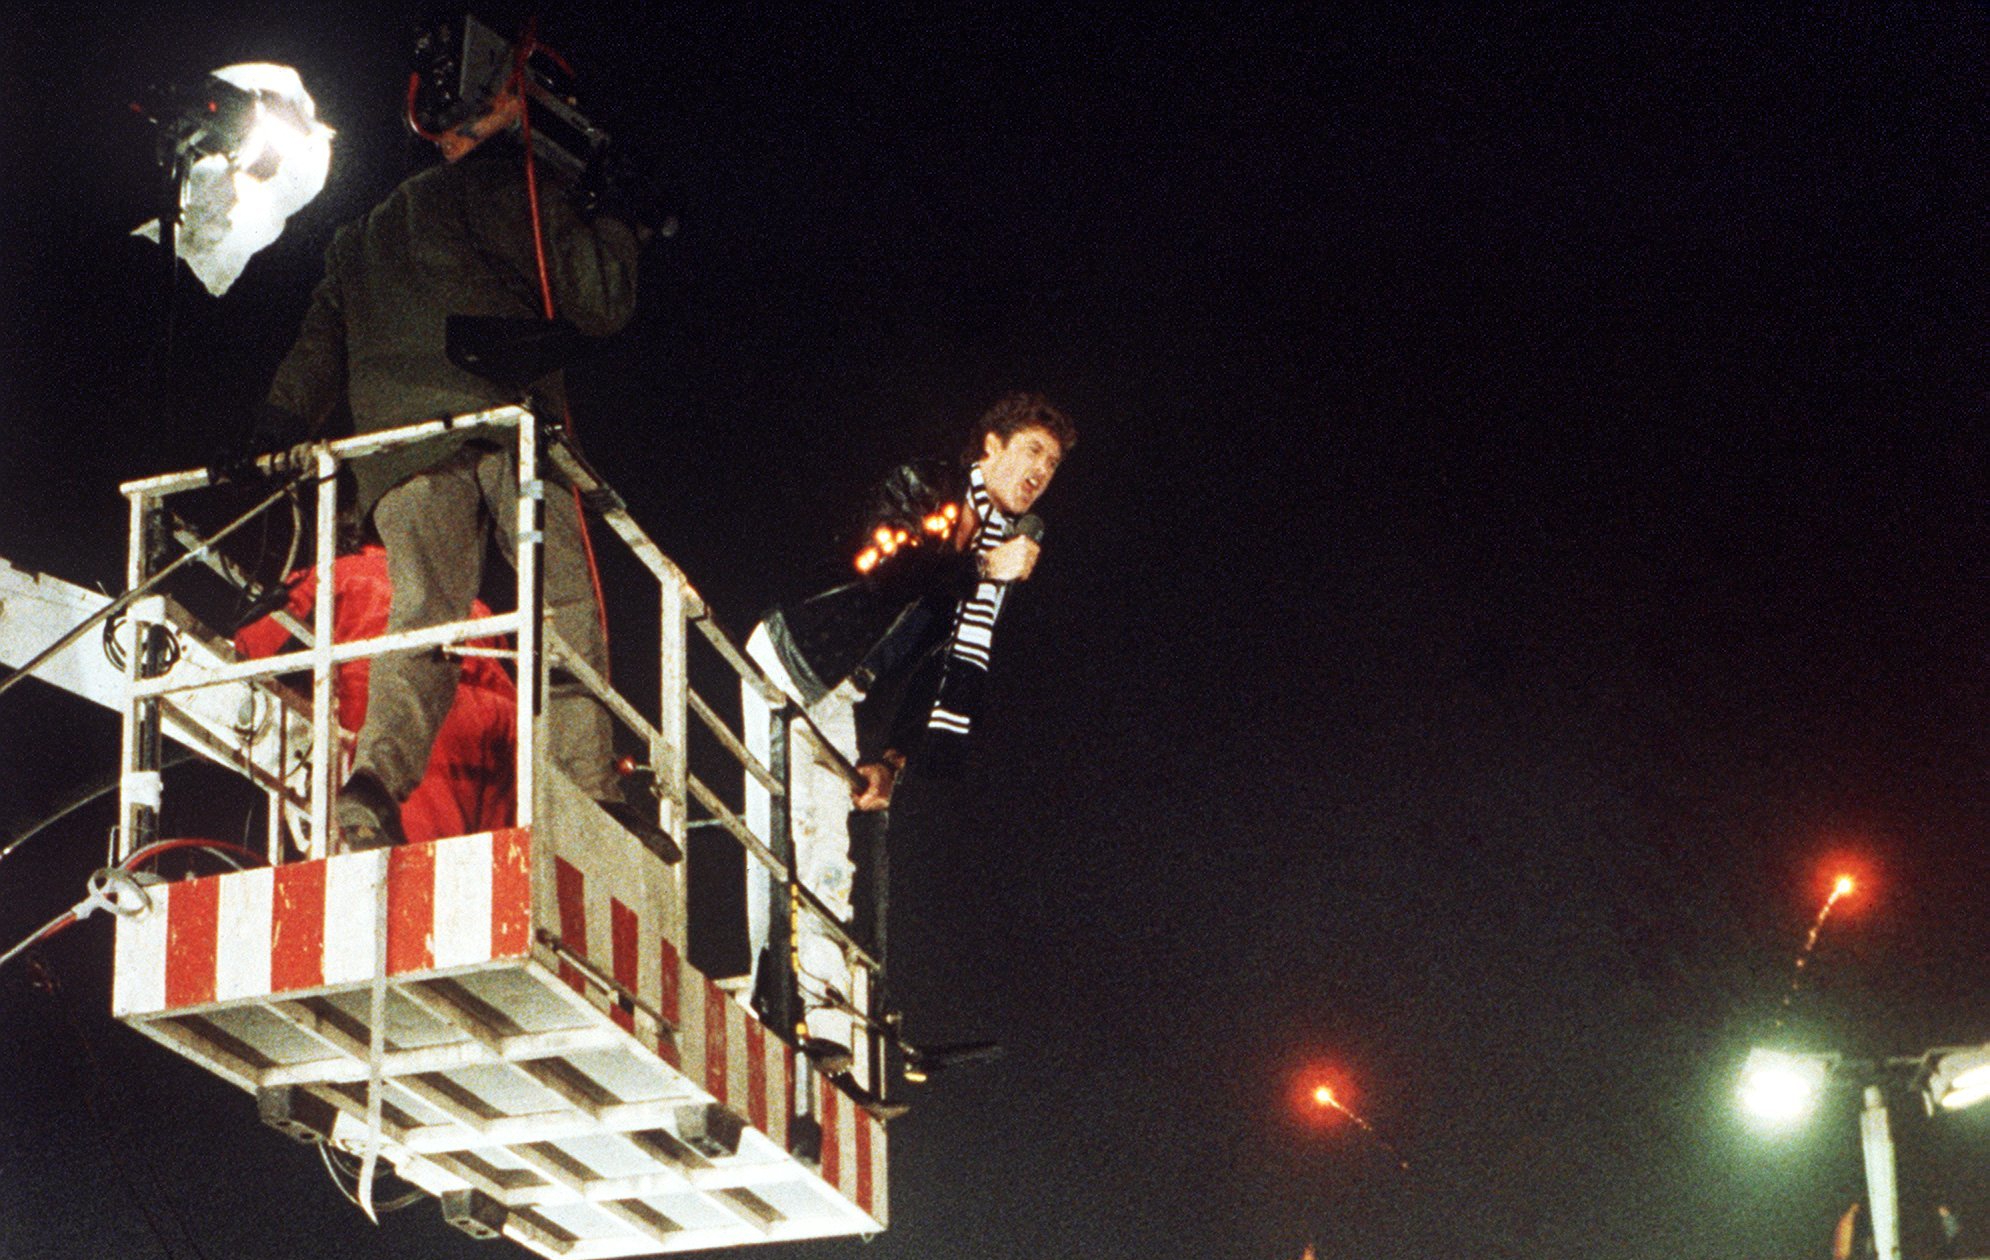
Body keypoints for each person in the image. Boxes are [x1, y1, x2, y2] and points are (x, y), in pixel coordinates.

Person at [252, 70, 651, 852]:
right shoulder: (508, 194)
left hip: (399, 449)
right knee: (565, 606)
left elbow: (318, 347)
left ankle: (373, 783)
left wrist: (276, 423)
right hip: (510, 427)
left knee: (422, 616)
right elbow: (600, 298)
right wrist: (615, 217)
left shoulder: (360, 237)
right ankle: (589, 789)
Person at [740, 392, 1075, 1077]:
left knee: (831, 852)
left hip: (844, 690)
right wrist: (982, 568)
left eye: (1053, 463)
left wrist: (892, 759)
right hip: (796, 655)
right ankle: (776, 992)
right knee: (788, 825)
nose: (1042, 470)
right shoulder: (926, 487)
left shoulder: (996, 555)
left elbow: (942, 666)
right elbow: (888, 572)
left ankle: (824, 1014)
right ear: (991, 447)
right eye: (1033, 450)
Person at [233, 536, 516, 845]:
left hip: (419, 722)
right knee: (503, 864)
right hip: (505, 725)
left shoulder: (339, 572)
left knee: (413, 863)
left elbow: (257, 645)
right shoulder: (463, 597)